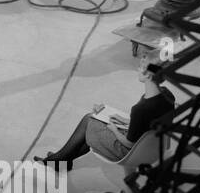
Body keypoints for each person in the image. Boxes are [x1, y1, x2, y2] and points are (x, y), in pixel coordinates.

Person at [40, 59, 175, 166]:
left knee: (89, 120)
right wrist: (123, 120)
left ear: (147, 75)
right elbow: (147, 124)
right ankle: (63, 159)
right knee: (95, 121)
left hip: (128, 152)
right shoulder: (167, 95)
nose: (137, 69)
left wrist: (115, 129)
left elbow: (129, 143)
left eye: (141, 67)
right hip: (153, 148)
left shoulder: (140, 109)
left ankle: (58, 158)